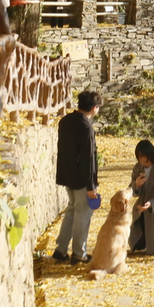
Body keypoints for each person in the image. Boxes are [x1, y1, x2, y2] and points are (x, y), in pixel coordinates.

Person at [53, 90, 102, 264]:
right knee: (83, 215)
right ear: (94, 108)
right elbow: (88, 159)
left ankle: (61, 249)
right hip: (82, 180)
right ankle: (78, 253)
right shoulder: (86, 127)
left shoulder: (65, 121)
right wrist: (91, 186)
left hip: (68, 175)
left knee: (72, 211)